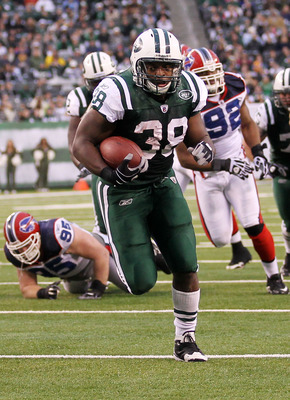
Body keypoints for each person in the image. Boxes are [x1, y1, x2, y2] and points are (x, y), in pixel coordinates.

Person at [72, 28, 250, 362]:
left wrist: (204, 151)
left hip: (163, 179)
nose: (163, 73)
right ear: (139, 65)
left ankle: (186, 340)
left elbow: (198, 137)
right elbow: (80, 143)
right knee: (140, 283)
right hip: (123, 187)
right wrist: (109, 173)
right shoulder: (116, 90)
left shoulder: (190, 87)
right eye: (154, 66)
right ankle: (104, 251)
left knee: (186, 262)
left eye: (169, 66)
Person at [177, 47, 288, 295]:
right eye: (204, 75)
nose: (213, 80)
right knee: (219, 239)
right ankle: (233, 229)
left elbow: (247, 123)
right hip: (207, 173)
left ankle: (274, 277)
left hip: (238, 163)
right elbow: (184, 158)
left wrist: (258, 153)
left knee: (253, 223)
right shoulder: (182, 100)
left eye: (214, 72)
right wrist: (223, 165)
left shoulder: (235, 84)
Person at [3, 212, 128, 300]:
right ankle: (94, 280)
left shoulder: (55, 233)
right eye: (18, 247)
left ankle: (121, 255)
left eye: (27, 244)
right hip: (74, 275)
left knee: (132, 285)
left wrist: (98, 288)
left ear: (37, 235)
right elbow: (27, 287)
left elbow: (100, 253)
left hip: (93, 259)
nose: (24, 250)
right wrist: (43, 293)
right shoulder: (16, 255)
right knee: (74, 290)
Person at [254, 68, 290, 277]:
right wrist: (265, 163)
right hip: (284, 169)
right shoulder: (270, 109)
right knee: (288, 220)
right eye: (281, 93)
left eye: (289, 92)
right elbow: (253, 139)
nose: (285, 97)